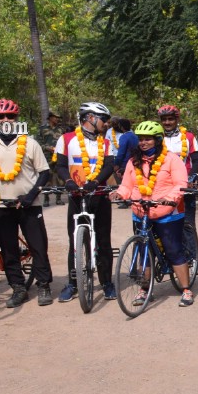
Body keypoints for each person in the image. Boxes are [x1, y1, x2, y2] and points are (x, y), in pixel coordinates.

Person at [0, 99, 54, 307]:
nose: (5, 120)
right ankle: (18, 288)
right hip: (1, 207)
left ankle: (44, 285)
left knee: (38, 247)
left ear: (17, 118)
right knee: (8, 249)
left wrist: (30, 197)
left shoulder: (30, 143)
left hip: (29, 205)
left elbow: (44, 172)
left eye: (10, 116)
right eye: (0, 117)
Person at [110, 120, 194, 307]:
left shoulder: (172, 159)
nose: (143, 143)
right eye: (141, 139)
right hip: (141, 211)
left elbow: (181, 184)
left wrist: (170, 198)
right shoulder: (133, 161)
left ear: (157, 140)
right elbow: (127, 185)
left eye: (148, 139)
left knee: (174, 251)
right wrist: (119, 193)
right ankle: (144, 289)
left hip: (168, 212)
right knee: (143, 251)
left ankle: (186, 289)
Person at [54, 101, 115, 302]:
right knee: (75, 241)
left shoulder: (106, 142)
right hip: (76, 197)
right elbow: (61, 165)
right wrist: (69, 181)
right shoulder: (66, 139)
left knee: (104, 241)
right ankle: (73, 283)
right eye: (103, 120)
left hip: (99, 197)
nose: (106, 124)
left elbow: (109, 166)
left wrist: (96, 182)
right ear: (90, 118)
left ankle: (106, 282)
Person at [158, 104, 198, 246]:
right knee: (164, 220)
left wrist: (191, 178)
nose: (167, 123)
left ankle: (191, 255)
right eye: (164, 119)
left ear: (177, 120)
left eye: (170, 119)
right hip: (163, 186)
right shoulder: (157, 138)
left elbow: (196, 160)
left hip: (185, 186)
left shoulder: (188, 137)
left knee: (187, 222)